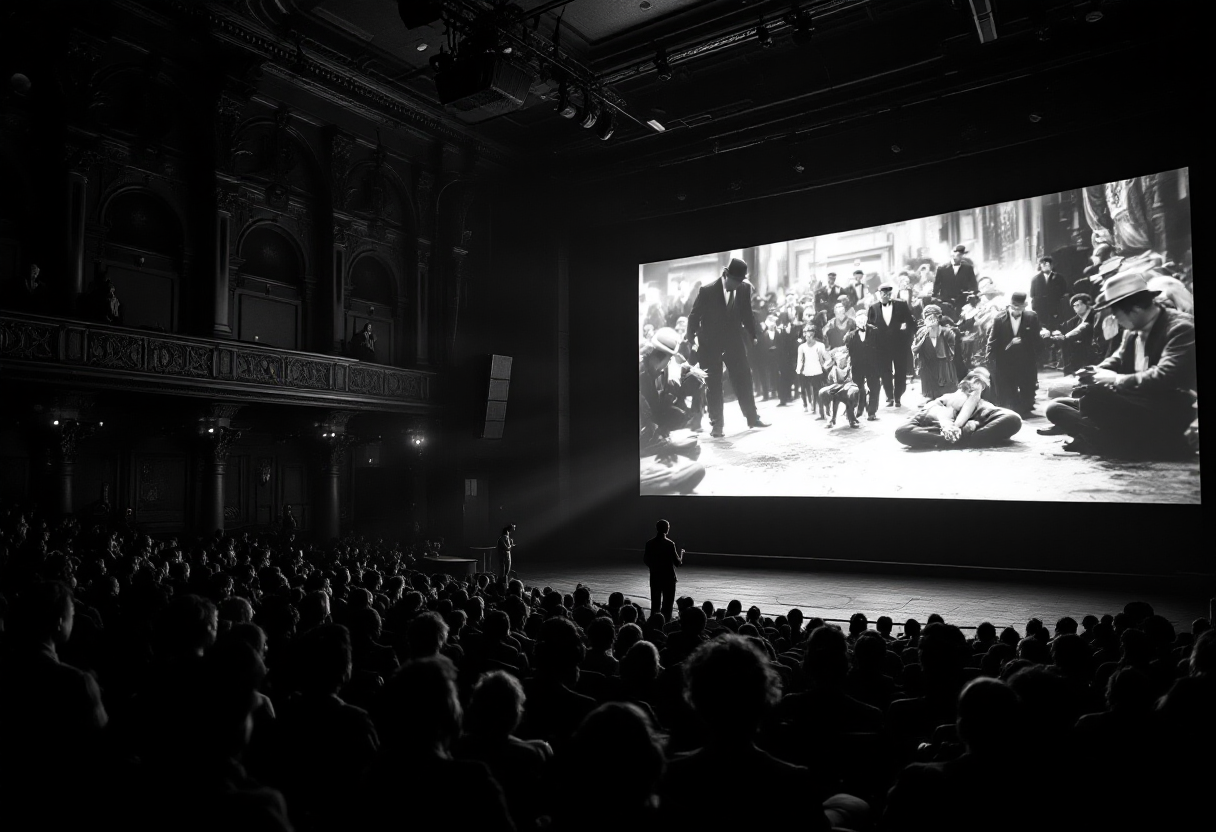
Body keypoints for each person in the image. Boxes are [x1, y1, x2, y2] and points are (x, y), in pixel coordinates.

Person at [1042, 271, 1196, 457]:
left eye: (1116, 314)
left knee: (1093, 398)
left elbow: (1165, 375)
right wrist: (1095, 371)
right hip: (1133, 401)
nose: (1115, 320)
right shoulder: (1134, 327)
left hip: (1166, 406)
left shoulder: (1181, 328)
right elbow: (1117, 359)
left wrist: (1115, 379)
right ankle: (1109, 439)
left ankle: (1113, 441)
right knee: (1056, 406)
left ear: (1135, 309)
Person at [685, 257, 770, 438]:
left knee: (744, 378)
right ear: (726, 275)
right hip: (709, 345)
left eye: (740, 282)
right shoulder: (707, 291)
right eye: (735, 282)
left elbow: (747, 313)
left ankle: (752, 418)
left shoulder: (743, 288)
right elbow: (694, 316)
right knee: (713, 385)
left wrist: (753, 334)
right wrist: (690, 338)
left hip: (733, 342)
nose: (737, 286)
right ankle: (717, 426)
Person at [895, 368, 1022, 449]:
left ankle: (953, 440)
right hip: (939, 420)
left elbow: (1008, 418)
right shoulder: (949, 397)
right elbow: (941, 410)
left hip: (973, 420)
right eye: (972, 379)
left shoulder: (984, 404)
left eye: (980, 382)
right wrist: (947, 425)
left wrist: (974, 422)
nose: (974, 383)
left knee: (1013, 419)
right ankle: (958, 440)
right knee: (902, 431)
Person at [986, 291, 1043, 417]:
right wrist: (990, 358)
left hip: (1025, 359)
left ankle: (1025, 410)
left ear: (1024, 307)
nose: (1016, 311)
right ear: (1010, 306)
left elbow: (1036, 339)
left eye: (1020, 308)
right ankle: (1011, 411)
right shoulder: (999, 319)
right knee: (1007, 387)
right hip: (1006, 359)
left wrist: (1027, 343)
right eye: (1014, 307)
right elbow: (992, 340)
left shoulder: (1032, 317)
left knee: (1027, 386)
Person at [867, 280, 916, 408]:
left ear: (891, 294)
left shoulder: (901, 305)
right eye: (882, 293)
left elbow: (911, 323)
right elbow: (869, 328)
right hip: (881, 347)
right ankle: (889, 396)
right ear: (878, 294)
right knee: (885, 371)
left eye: (888, 293)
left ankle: (898, 396)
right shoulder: (873, 308)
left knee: (901, 370)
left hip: (899, 345)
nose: (885, 295)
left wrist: (907, 338)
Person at [913, 304, 958, 401]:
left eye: (933, 317)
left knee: (944, 395)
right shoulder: (921, 332)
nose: (931, 320)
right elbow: (914, 349)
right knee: (929, 395)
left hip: (943, 366)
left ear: (939, 318)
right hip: (927, 367)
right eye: (927, 317)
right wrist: (925, 335)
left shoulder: (948, 332)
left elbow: (952, 353)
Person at [1030, 256, 1069, 369]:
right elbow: (1033, 295)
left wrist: (1059, 308)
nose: (1045, 266)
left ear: (1051, 265)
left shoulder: (1059, 278)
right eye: (1042, 264)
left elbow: (1064, 293)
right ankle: (1046, 359)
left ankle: (1058, 359)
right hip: (1041, 310)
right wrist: (1036, 309)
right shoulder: (1035, 279)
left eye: (1047, 264)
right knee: (1043, 332)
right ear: (1040, 266)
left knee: (1056, 330)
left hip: (1056, 309)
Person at [1047, 293, 1101, 374]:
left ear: (1087, 304)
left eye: (1078, 305)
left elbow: (1083, 329)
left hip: (1096, 349)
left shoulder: (1096, 315)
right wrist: (1052, 331)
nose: (1075, 308)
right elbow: (1064, 326)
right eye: (1074, 306)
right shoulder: (1078, 317)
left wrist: (1064, 337)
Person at [644, 519, 684, 622]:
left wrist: (654, 568)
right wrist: (681, 556)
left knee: (655, 603)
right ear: (667, 529)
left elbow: (646, 560)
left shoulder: (649, 543)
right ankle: (666, 625)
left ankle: (653, 624)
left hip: (655, 577)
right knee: (667, 605)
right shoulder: (670, 544)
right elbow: (677, 563)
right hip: (668, 578)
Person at [845, 308, 882, 421]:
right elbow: (850, 352)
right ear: (856, 321)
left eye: (863, 318)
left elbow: (881, 349)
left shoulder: (875, 331)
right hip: (858, 367)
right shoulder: (851, 336)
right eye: (859, 319)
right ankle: (859, 409)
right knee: (858, 388)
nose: (861, 321)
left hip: (873, 366)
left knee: (874, 387)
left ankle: (872, 412)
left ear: (866, 319)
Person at [818, 347, 860, 429]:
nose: (841, 361)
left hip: (848, 386)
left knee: (852, 393)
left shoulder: (850, 367)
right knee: (824, 393)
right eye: (839, 359)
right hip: (836, 387)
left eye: (843, 359)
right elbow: (829, 379)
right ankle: (830, 418)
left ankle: (852, 419)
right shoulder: (834, 369)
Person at [795, 325, 832, 418]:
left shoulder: (820, 346)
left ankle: (822, 414)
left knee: (818, 392)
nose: (809, 338)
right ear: (804, 336)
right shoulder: (801, 347)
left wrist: (825, 365)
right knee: (805, 390)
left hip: (817, 372)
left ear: (814, 334)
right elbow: (799, 360)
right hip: (806, 372)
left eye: (811, 335)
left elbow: (827, 358)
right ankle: (809, 406)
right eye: (807, 336)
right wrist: (798, 369)